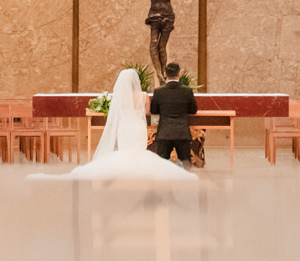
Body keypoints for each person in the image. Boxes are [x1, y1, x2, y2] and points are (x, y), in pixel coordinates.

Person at [31, 67, 194, 182]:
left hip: (125, 127)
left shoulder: (118, 97)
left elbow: (115, 113)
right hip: (137, 127)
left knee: (125, 152)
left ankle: (123, 177)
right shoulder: (144, 95)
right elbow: (149, 112)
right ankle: (138, 177)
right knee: (138, 153)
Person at [148, 63, 198, 163]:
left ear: (165, 74)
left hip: (164, 133)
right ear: (179, 73)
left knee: (162, 165)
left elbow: (153, 110)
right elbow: (193, 110)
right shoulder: (187, 91)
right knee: (186, 164)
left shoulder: (158, 91)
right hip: (182, 133)